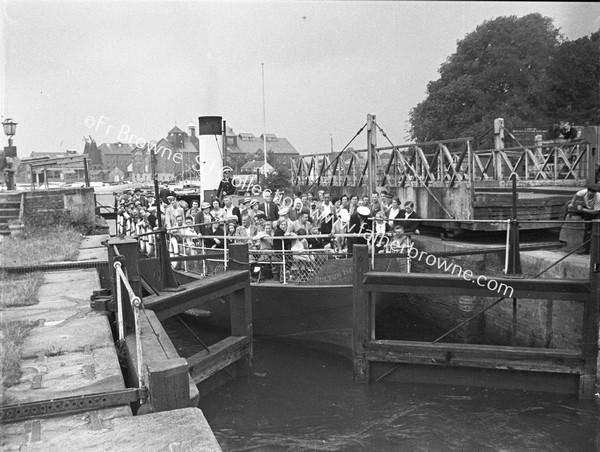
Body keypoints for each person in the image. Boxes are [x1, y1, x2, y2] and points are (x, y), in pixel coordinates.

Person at [567, 183, 600, 254]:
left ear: (595, 193)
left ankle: (596, 250)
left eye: (592, 194)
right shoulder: (583, 192)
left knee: (597, 230)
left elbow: (595, 212)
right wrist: (572, 203)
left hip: (597, 213)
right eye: (589, 194)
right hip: (588, 210)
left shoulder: (598, 198)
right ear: (587, 191)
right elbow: (576, 195)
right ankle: (586, 250)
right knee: (587, 231)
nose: (590, 195)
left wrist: (582, 210)